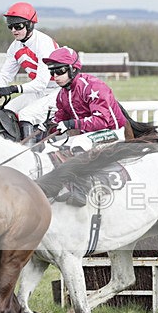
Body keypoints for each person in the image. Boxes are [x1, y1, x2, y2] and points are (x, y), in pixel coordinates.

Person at [42, 46, 128, 206]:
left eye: (59, 71)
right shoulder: (63, 94)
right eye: (52, 72)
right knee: (50, 147)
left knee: (79, 143)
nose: (55, 77)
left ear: (73, 69)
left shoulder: (92, 86)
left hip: (113, 131)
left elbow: (101, 121)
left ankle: (82, 190)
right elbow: (60, 117)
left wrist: (71, 124)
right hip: (89, 134)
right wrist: (50, 126)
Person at [0, 2, 60, 140]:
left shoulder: (44, 44)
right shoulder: (14, 47)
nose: (14, 30)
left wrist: (13, 89)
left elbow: (41, 83)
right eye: (10, 26)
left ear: (30, 25)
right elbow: (6, 75)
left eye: (18, 26)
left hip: (58, 92)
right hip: (39, 92)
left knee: (26, 115)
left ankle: (29, 150)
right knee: (6, 112)